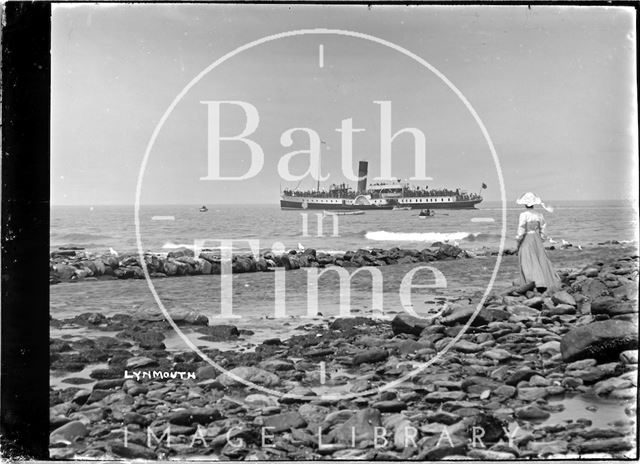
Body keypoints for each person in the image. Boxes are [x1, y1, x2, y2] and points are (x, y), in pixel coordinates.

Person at [515, 192, 560, 291]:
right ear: (534, 204)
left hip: (527, 237)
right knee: (540, 259)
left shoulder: (523, 215)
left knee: (527, 259)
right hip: (536, 238)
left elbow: (521, 229)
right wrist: (542, 239)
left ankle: (531, 281)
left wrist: (518, 239)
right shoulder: (539, 214)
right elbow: (543, 229)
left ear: (525, 204)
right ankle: (542, 281)